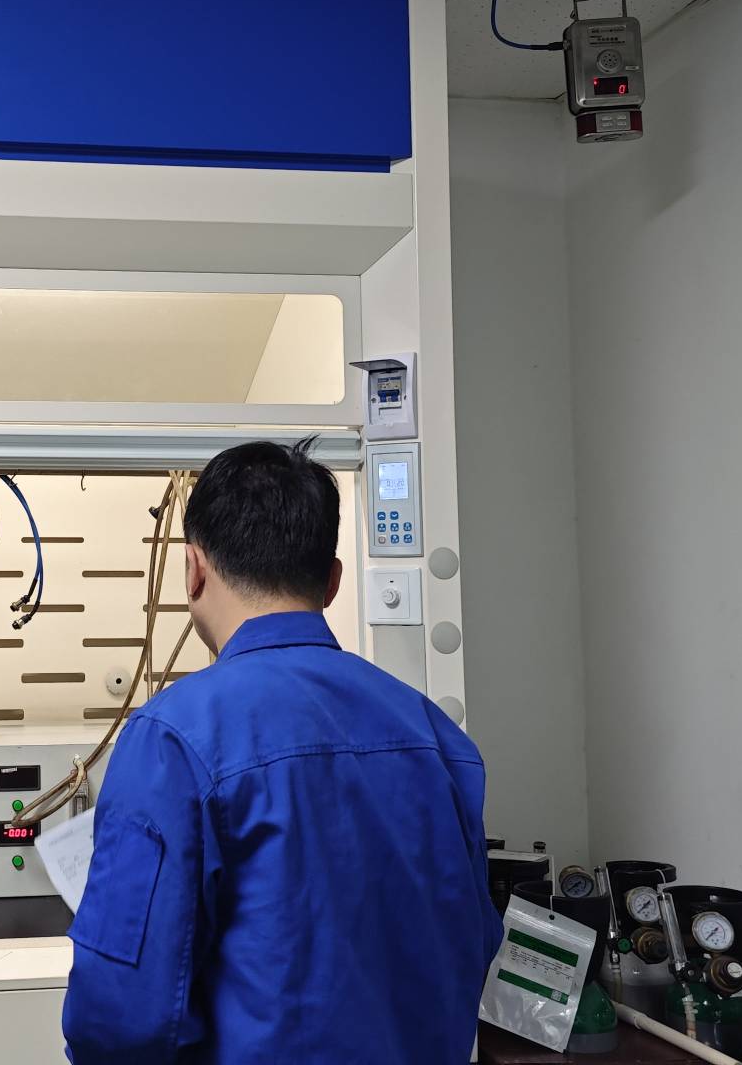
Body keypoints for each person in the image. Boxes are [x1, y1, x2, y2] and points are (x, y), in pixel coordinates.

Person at [61, 440, 503, 1064]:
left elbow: (119, 1020)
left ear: (193, 569)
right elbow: (472, 945)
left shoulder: (172, 739)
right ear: (332, 581)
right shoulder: (436, 736)